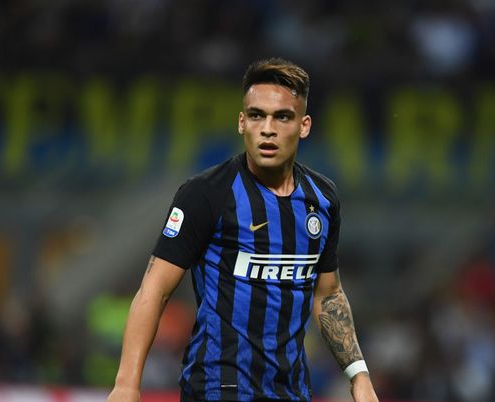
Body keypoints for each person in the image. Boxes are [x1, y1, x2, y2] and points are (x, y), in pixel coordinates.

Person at [107, 58, 379, 402]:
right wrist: (126, 384)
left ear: (304, 125)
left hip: (291, 392)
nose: (267, 128)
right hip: (217, 389)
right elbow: (154, 289)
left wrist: (359, 376)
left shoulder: (322, 199)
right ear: (241, 123)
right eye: (256, 115)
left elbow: (328, 295)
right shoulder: (206, 194)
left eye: (282, 117)